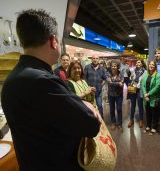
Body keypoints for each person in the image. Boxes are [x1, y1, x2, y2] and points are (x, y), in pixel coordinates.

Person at [1, 9, 100, 171]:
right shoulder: (43, 81)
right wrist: (87, 106)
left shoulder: (12, 79)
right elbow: (90, 126)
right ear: (54, 41)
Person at [141, 60, 160, 135]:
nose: (151, 66)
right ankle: (148, 126)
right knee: (148, 112)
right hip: (146, 97)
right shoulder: (145, 74)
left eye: (153, 65)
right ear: (148, 65)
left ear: (155, 66)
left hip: (154, 97)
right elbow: (142, 85)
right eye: (150, 64)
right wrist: (144, 94)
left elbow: (157, 87)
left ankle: (154, 127)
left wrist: (148, 94)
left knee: (154, 113)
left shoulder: (158, 75)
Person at [127, 59, 147, 128]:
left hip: (140, 90)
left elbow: (145, 81)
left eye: (139, 62)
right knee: (132, 105)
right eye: (137, 62)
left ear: (142, 63)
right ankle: (131, 119)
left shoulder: (145, 72)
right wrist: (131, 77)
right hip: (133, 89)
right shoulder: (133, 70)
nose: (137, 63)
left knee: (140, 105)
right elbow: (130, 78)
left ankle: (141, 120)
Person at [106, 60, 124, 131]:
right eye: (112, 66)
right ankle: (113, 122)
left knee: (119, 109)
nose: (114, 67)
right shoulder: (107, 73)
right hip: (111, 95)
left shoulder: (121, 73)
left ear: (117, 66)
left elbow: (122, 82)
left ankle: (119, 124)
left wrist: (118, 83)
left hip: (119, 95)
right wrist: (118, 83)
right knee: (111, 109)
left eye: (115, 66)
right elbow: (109, 83)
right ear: (110, 67)